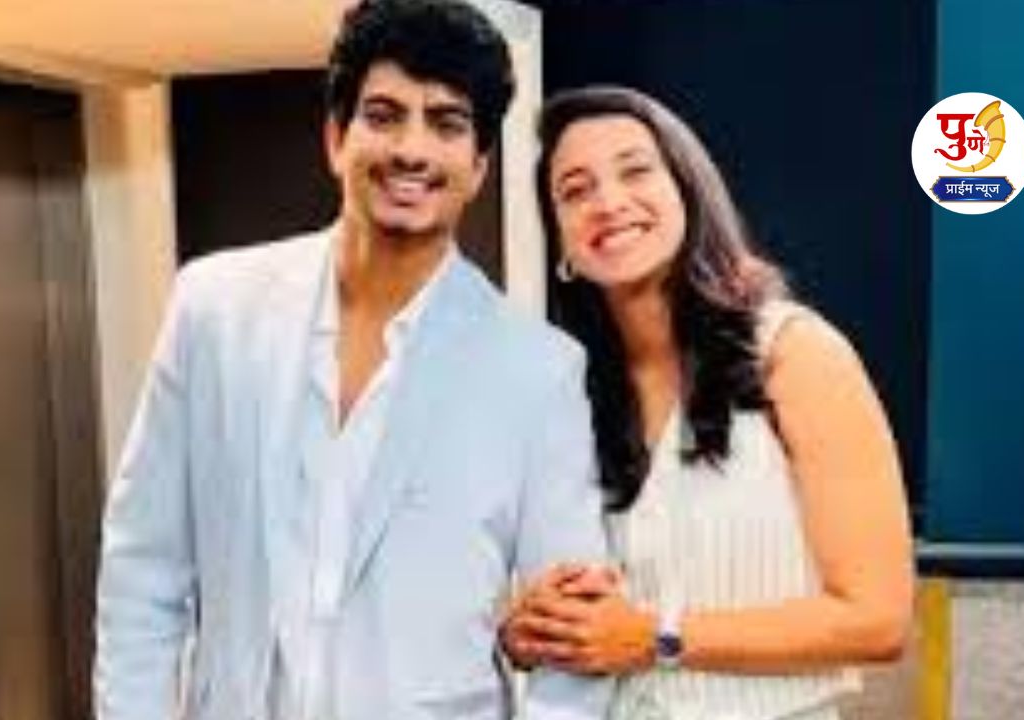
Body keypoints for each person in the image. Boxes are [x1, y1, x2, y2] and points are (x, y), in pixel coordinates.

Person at [93, 3, 611, 719]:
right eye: (384, 115)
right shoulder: (212, 310)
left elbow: (575, 644)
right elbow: (142, 574)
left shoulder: (536, 370)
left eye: (447, 123)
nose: (412, 150)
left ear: (479, 165)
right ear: (336, 138)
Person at [499, 86, 914, 720]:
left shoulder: (794, 353)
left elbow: (878, 619)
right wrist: (528, 634)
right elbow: (571, 608)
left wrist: (657, 637)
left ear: (688, 191)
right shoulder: (565, 391)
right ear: (561, 243)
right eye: (575, 191)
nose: (608, 202)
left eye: (635, 171)